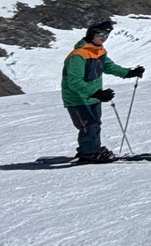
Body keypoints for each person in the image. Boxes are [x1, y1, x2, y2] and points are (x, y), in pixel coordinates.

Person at [61, 19, 144, 164]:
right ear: (91, 34)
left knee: (94, 124)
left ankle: (89, 149)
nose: (104, 37)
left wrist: (129, 73)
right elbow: (74, 82)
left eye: (106, 34)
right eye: (100, 33)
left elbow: (110, 67)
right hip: (77, 98)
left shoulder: (99, 52)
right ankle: (90, 154)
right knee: (89, 125)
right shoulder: (78, 55)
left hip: (93, 96)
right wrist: (96, 93)